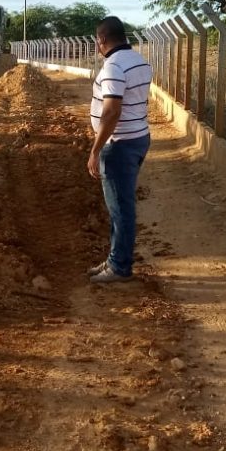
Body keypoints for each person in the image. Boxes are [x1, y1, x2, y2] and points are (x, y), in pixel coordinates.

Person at [87, 16, 153, 284]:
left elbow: (112, 111)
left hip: (119, 145)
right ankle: (116, 258)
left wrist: (95, 150)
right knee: (121, 204)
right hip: (138, 138)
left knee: (120, 209)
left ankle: (119, 267)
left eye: (97, 40)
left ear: (102, 39)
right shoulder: (139, 61)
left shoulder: (113, 66)